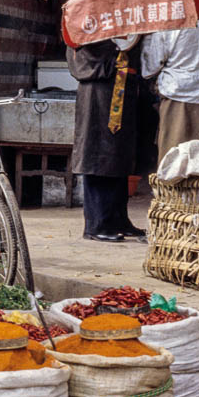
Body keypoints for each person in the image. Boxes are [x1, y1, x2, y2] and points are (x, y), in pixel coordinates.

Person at [67, 38, 145, 243]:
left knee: (119, 155)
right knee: (98, 154)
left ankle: (118, 219)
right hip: (97, 91)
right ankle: (96, 224)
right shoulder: (86, 20)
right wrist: (120, 48)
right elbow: (84, 56)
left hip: (120, 87)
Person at [140, 16, 199, 164]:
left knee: (174, 166)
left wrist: (147, 38)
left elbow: (150, 66)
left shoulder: (168, 18)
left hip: (177, 101)